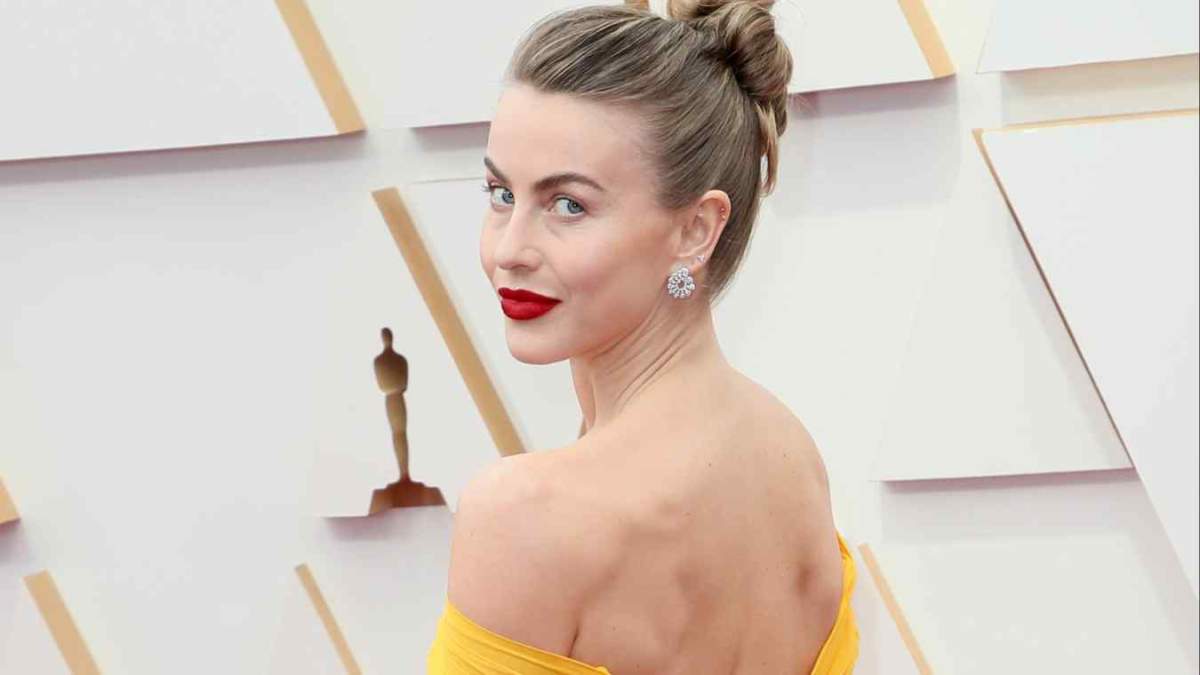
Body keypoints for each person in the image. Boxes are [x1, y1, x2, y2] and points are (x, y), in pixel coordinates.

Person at [428, 1, 859, 672]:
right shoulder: (792, 457)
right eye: (501, 194)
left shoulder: (526, 514)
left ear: (695, 229)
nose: (510, 250)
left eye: (568, 205)